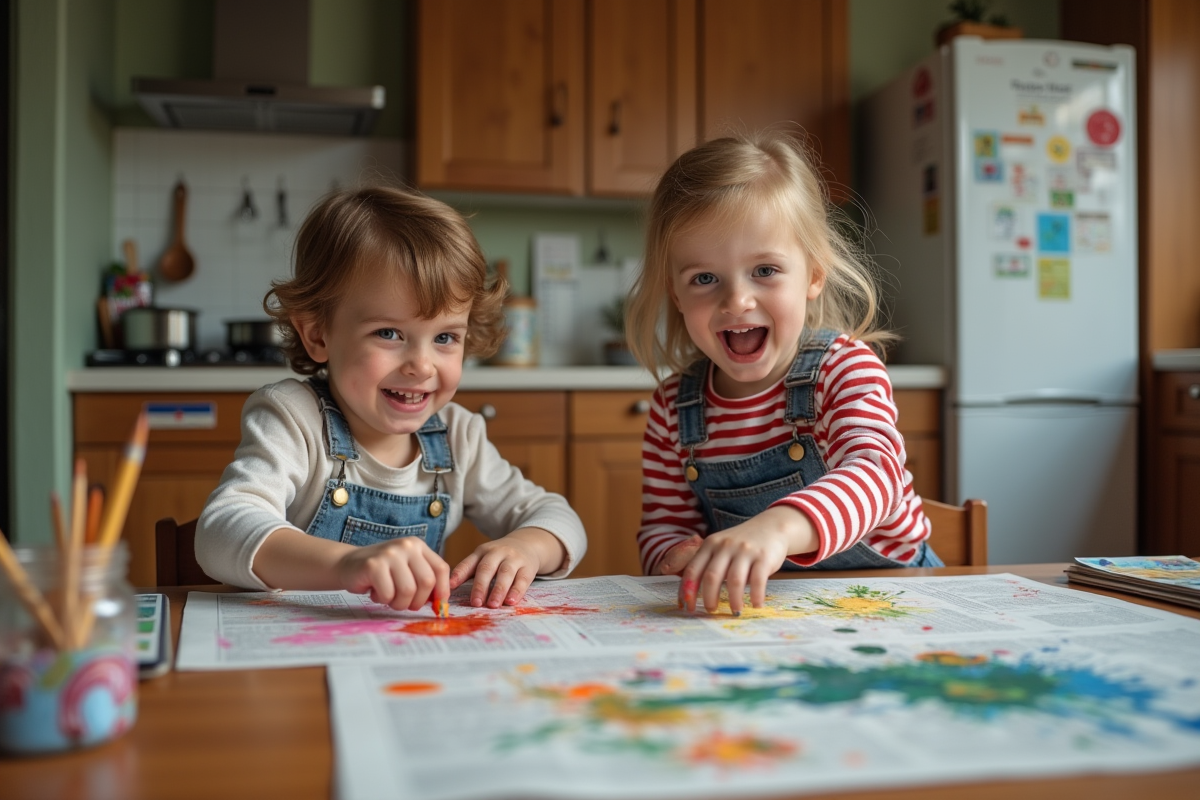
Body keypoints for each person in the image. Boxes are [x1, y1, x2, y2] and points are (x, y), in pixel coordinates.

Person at [196, 186, 586, 611]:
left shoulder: (458, 436)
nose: (421, 365)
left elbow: (561, 518)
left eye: (444, 337)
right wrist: (347, 565)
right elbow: (219, 531)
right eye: (388, 333)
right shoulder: (293, 418)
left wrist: (527, 547)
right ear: (317, 334)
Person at [625, 129, 939, 616]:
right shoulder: (673, 407)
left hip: (897, 599)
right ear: (675, 293)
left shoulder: (844, 367)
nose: (737, 301)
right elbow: (661, 526)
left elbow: (877, 478)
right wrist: (677, 556)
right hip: (772, 615)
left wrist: (777, 527)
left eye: (765, 270)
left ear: (814, 273)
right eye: (704, 278)